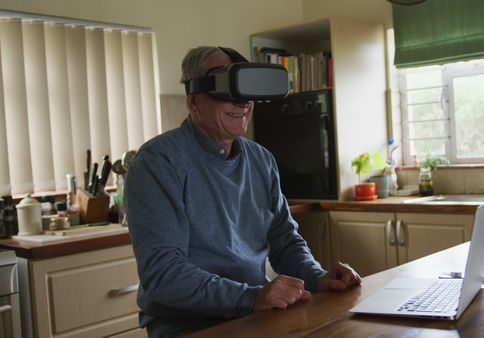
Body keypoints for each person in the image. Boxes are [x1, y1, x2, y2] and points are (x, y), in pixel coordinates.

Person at [124, 46, 361, 338]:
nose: (242, 103)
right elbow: (164, 274)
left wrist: (317, 277)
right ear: (193, 100)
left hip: (254, 315)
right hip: (186, 326)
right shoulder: (158, 163)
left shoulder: (261, 160)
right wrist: (251, 297)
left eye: (246, 91)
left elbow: (285, 241)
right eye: (226, 90)